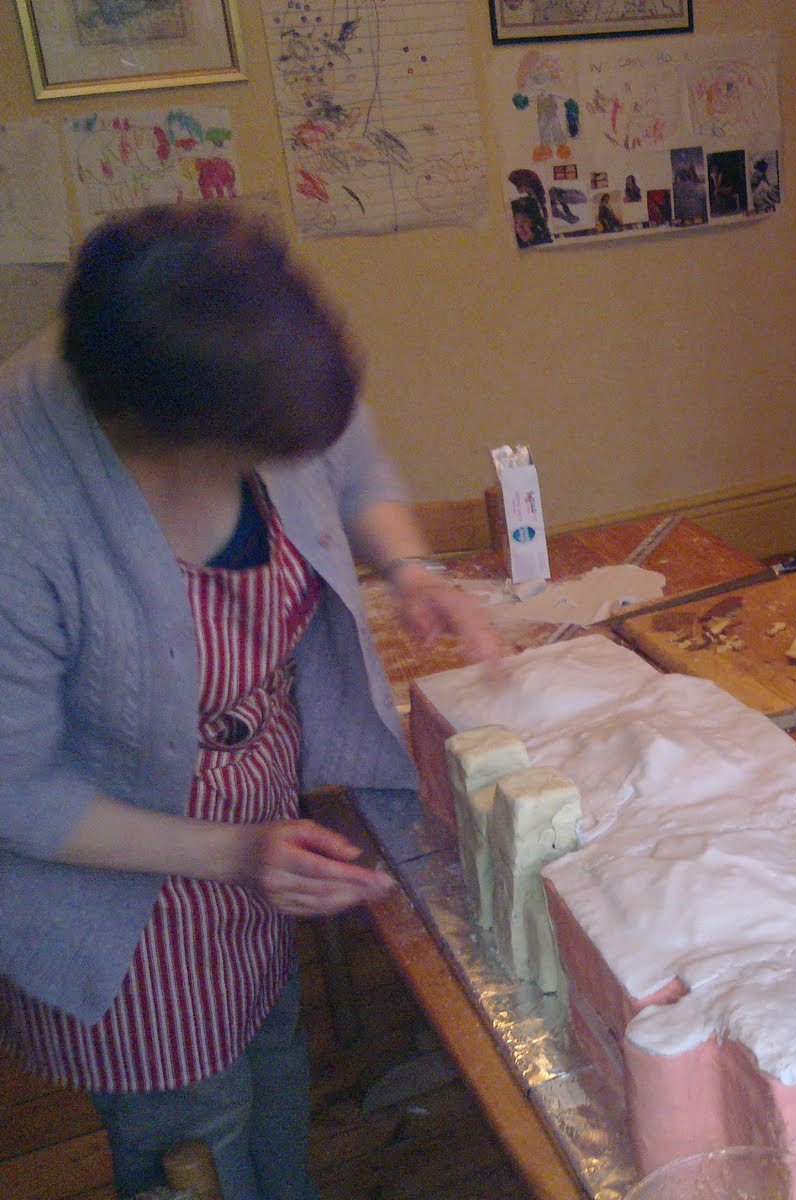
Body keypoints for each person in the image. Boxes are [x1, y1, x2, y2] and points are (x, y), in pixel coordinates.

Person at [0, 203, 502, 1199]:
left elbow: (348, 455)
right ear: (166, 437)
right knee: (193, 1132)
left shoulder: (237, 353)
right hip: (116, 886)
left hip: (258, 838)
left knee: (274, 1063)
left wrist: (408, 566)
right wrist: (232, 854)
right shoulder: (25, 500)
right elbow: (19, 792)